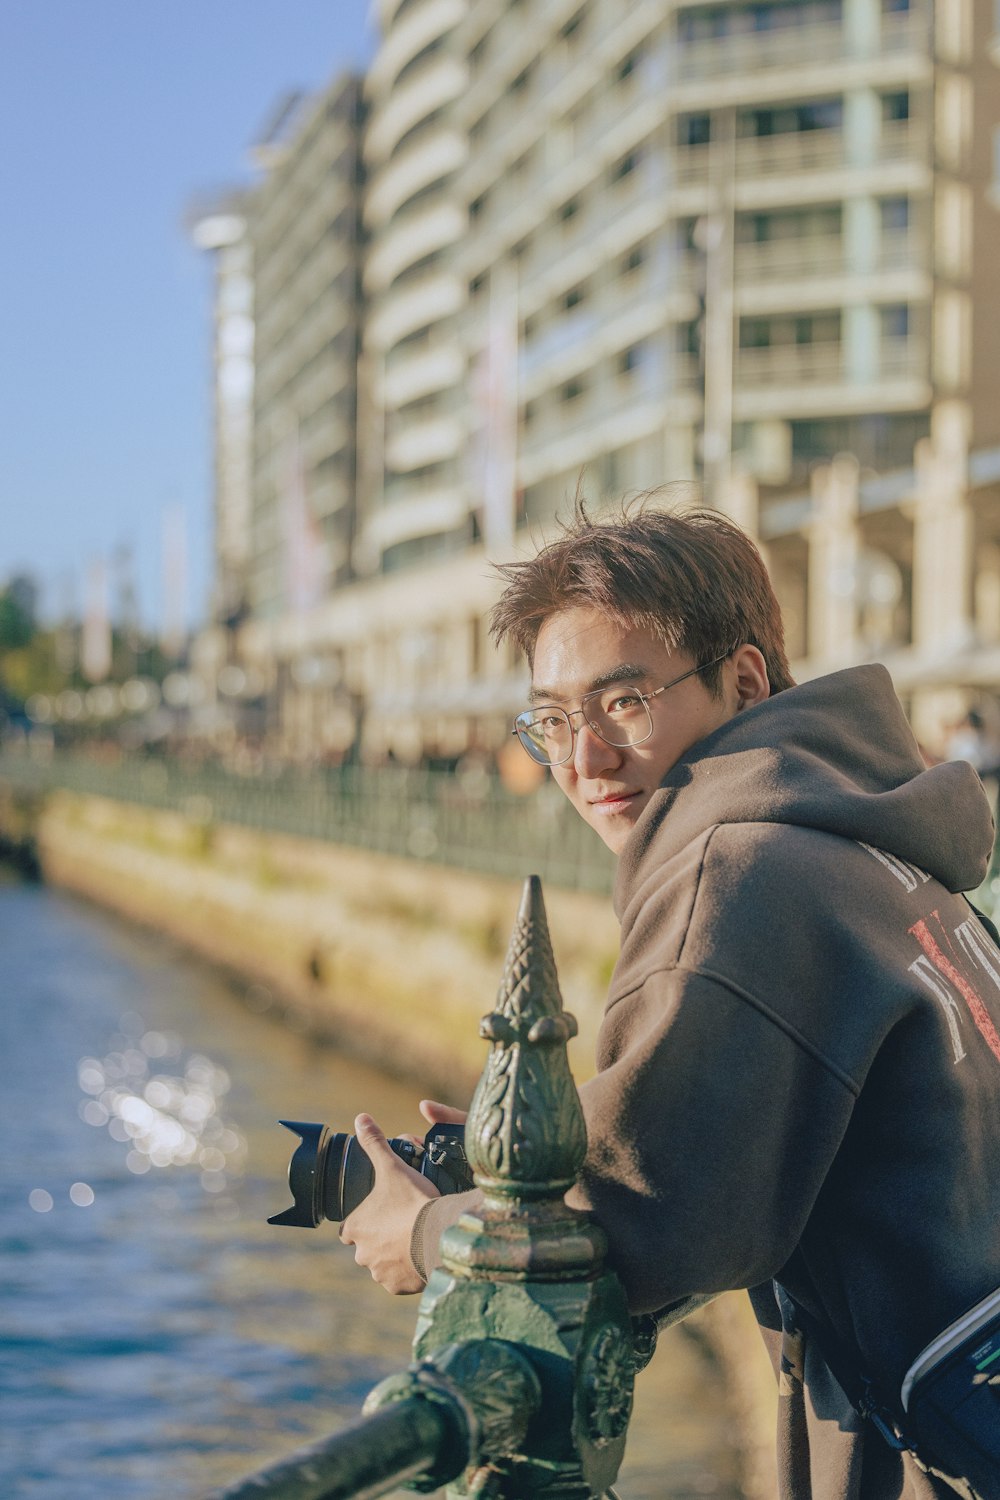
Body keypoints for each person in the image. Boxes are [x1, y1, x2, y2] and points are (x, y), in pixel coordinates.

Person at [340, 501, 1000, 1500]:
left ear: (742, 681)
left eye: (624, 704)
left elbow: (652, 1220)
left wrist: (427, 1232)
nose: (582, 759)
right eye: (554, 719)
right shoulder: (873, 847)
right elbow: (735, 1133)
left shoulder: (737, 871)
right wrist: (532, 1160)